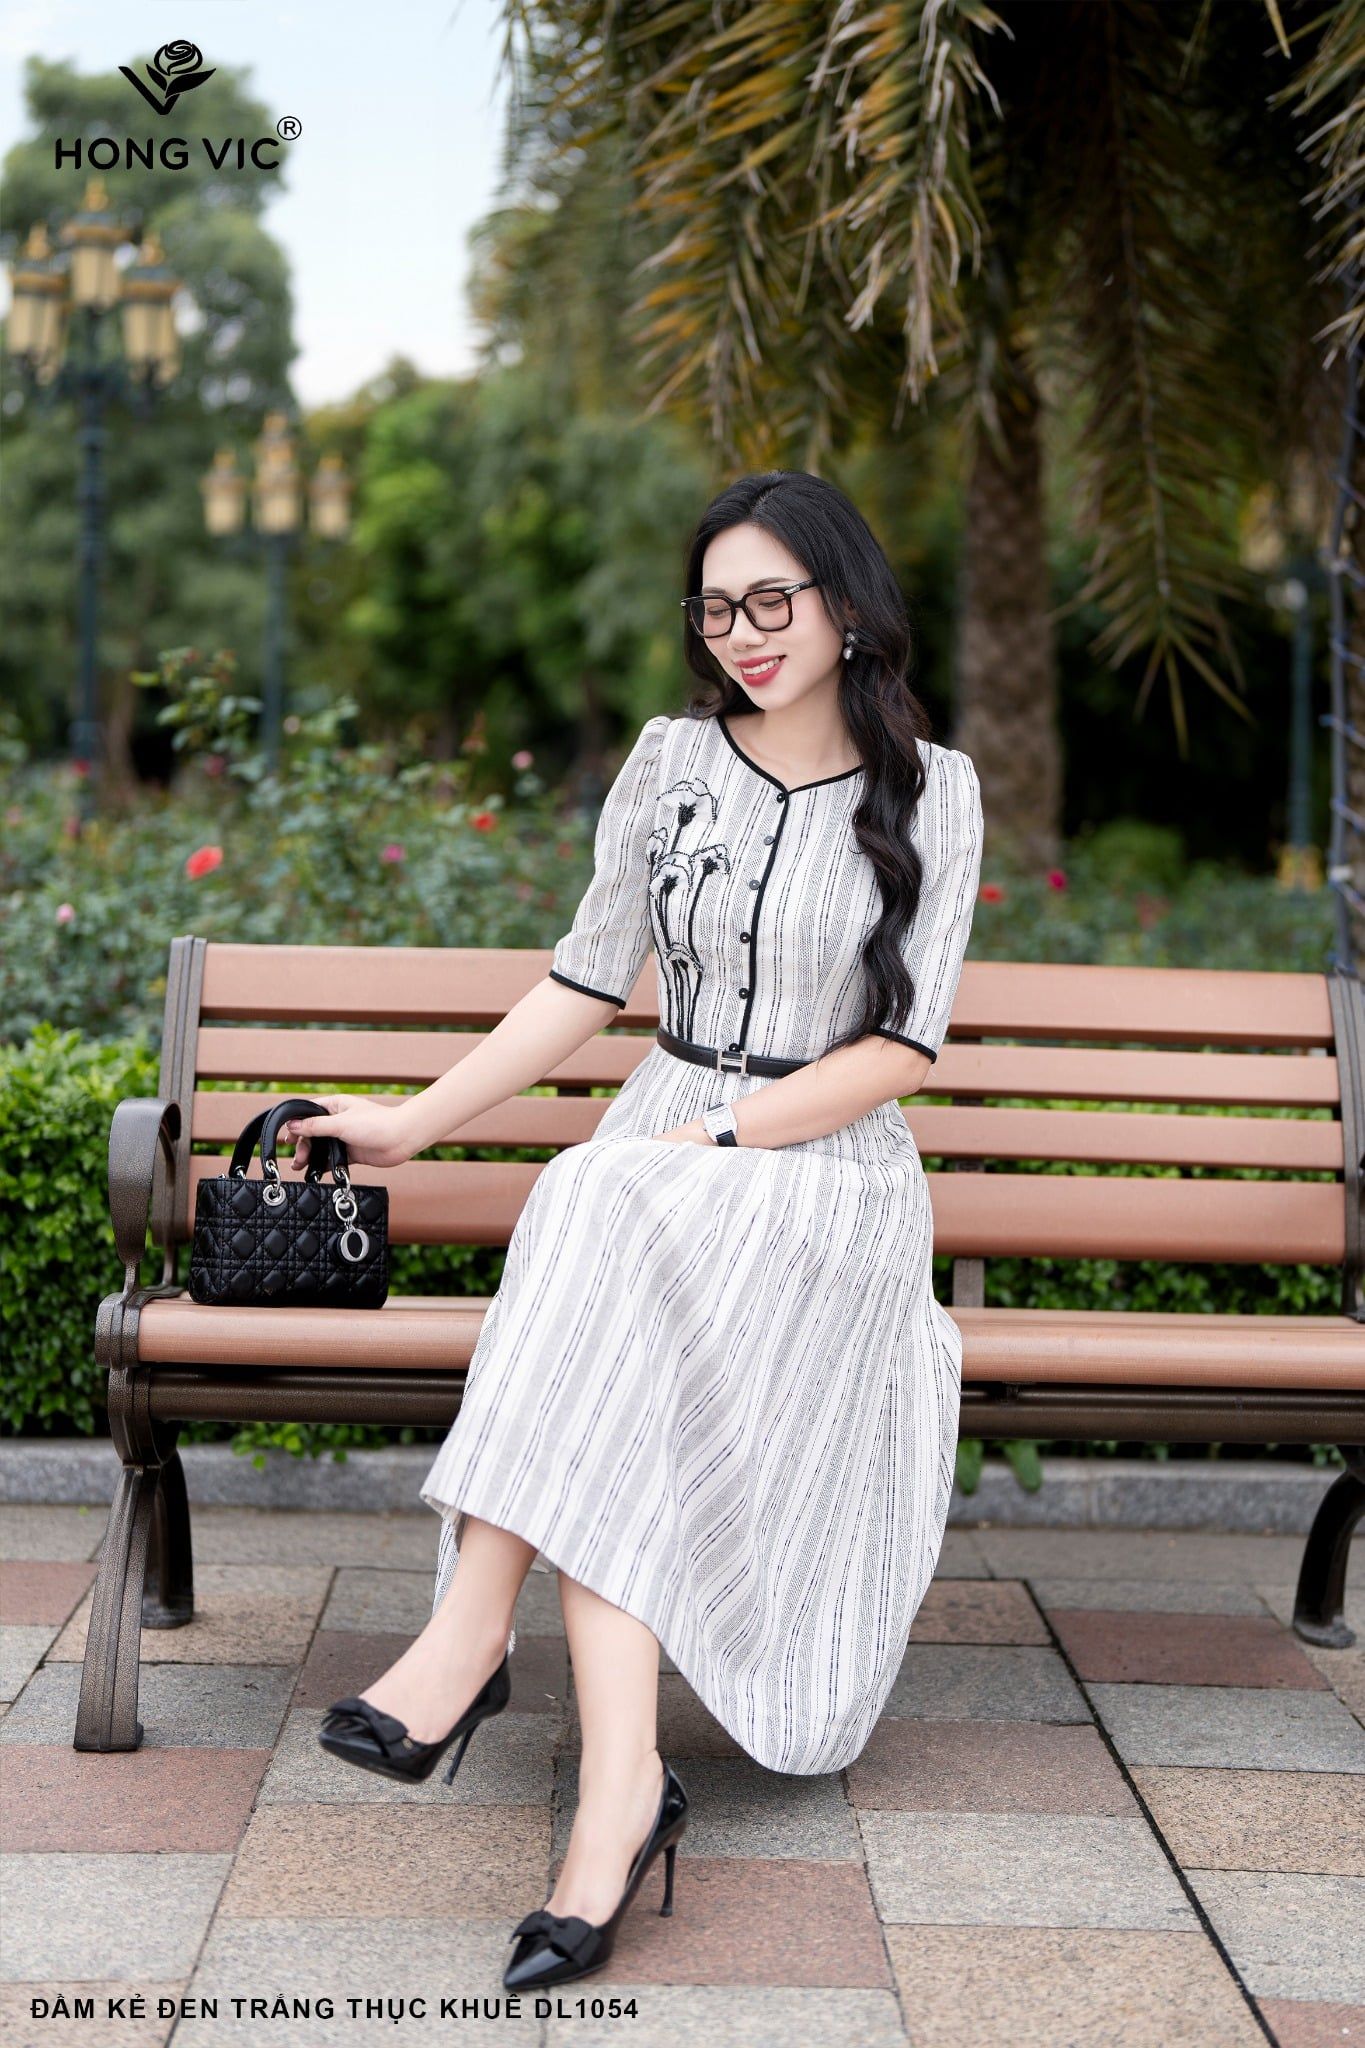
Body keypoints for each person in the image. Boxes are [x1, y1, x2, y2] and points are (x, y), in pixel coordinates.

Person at [281, 468, 984, 1990]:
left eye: (772, 600)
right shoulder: (669, 763)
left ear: (848, 606)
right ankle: (615, 1800)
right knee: (611, 1269)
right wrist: (409, 1123)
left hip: (820, 1171)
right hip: (660, 1154)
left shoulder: (933, 789)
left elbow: (900, 1047)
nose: (743, 632)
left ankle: (470, 1637)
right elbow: (586, 980)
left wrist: (719, 1134)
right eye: (716, 608)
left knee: (593, 1193)